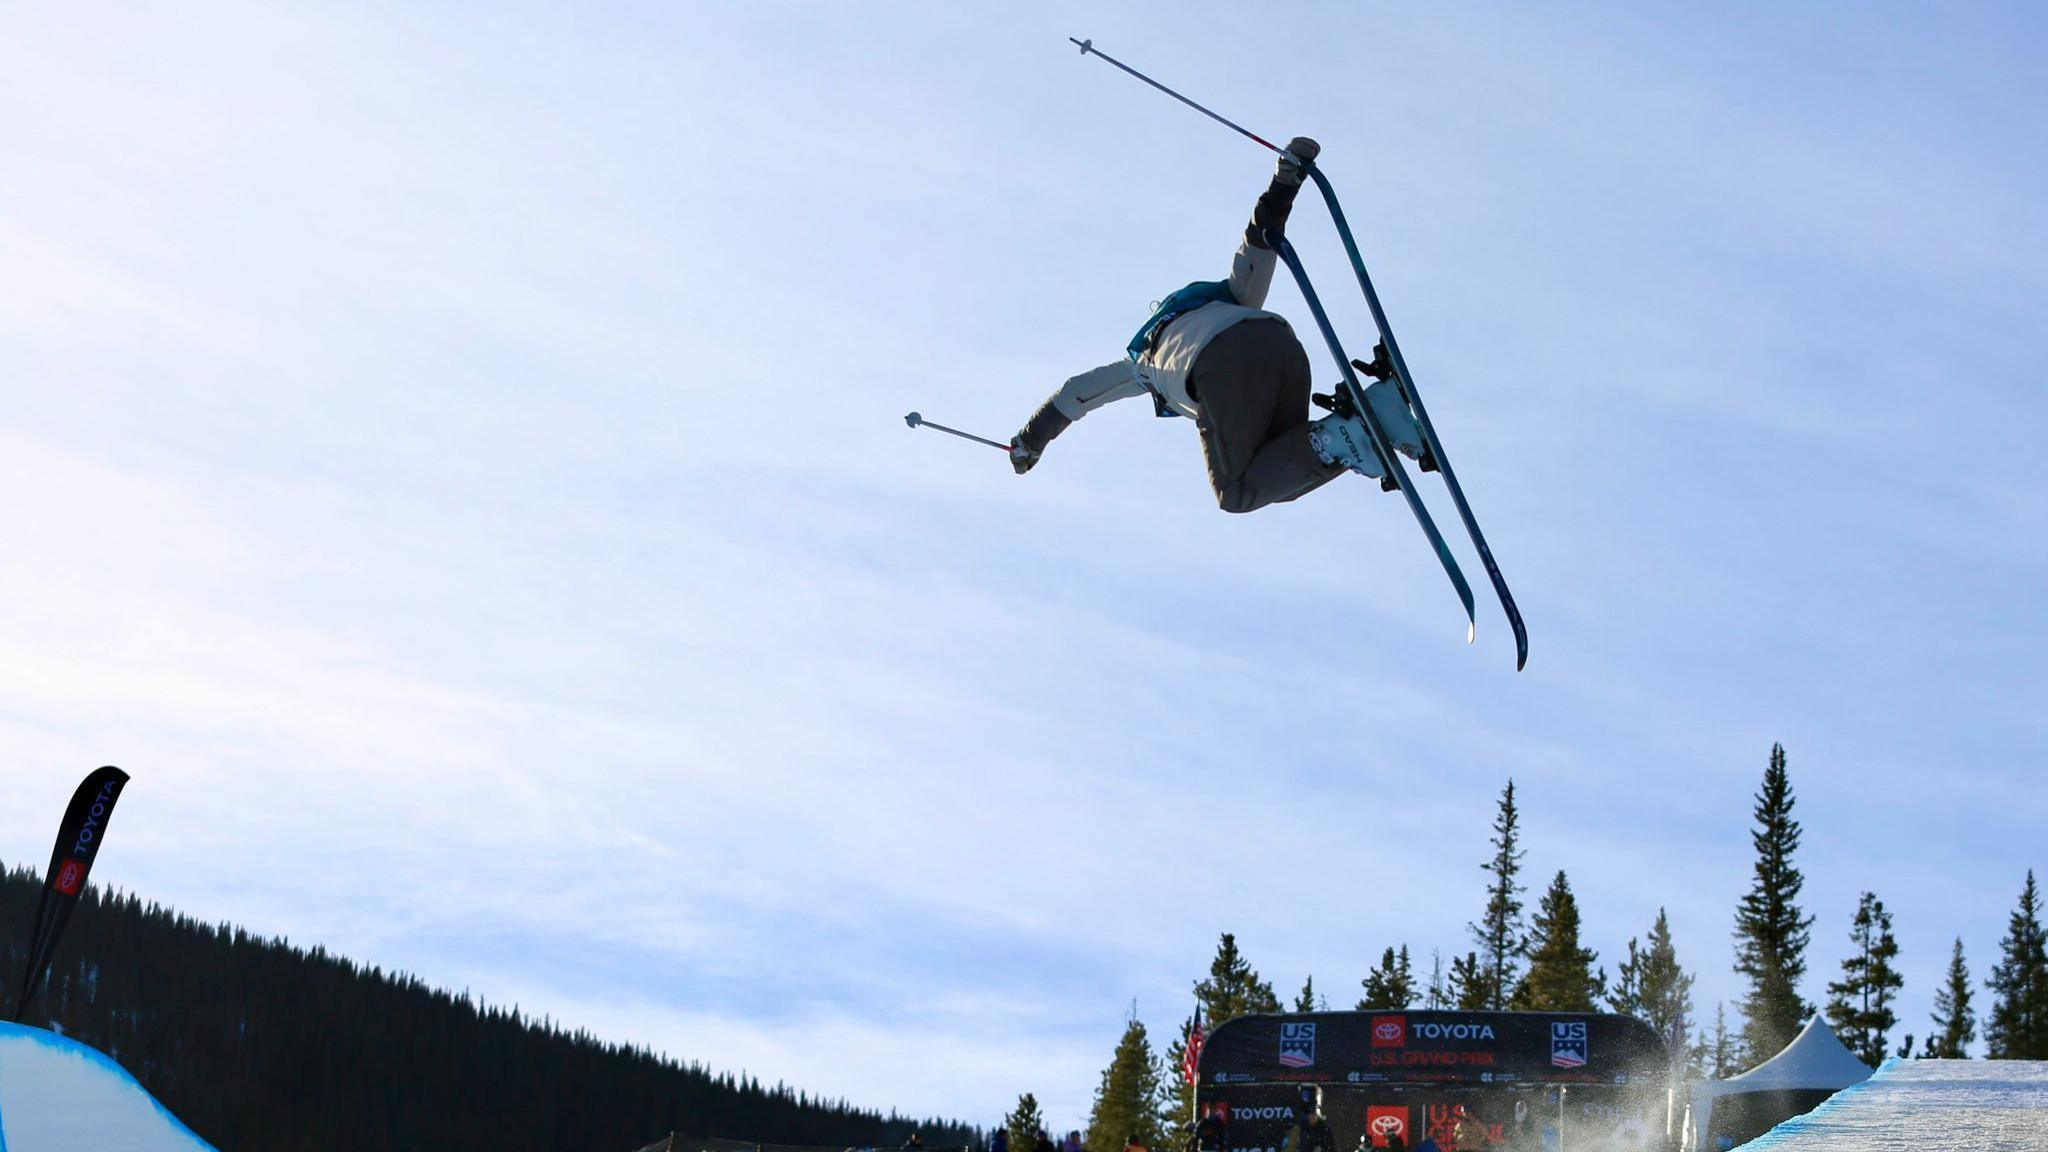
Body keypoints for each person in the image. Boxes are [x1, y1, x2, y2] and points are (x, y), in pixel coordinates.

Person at [1009, 138, 1425, 512]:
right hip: (1282, 349)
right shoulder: (1232, 301)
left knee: (1236, 492)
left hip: (1220, 367)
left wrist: (1030, 441)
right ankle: (1368, 421)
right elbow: (1257, 249)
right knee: (1280, 469)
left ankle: (1341, 440)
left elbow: (1076, 393)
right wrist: (1286, 180)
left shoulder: (1146, 364)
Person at [1285, 1087, 1335, 1152]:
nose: (1311, 1117)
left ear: (1317, 1115)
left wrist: (1321, 1149)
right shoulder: (1303, 1127)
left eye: (1313, 1115)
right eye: (1309, 1115)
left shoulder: (1324, 1129)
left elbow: (1330, 1147)